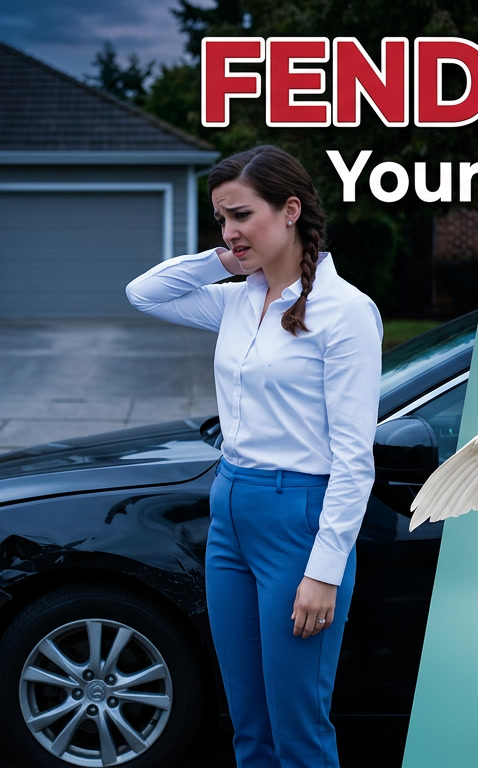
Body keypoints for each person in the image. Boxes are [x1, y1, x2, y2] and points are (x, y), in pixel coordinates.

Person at [126, 145, 382, 767]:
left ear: (290, 209)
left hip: (298, 518)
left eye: (242, 215)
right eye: (221, 219)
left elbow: (354, 457)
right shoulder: (236, 299)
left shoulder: (346, 313)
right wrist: (232, 256)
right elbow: (144, 292)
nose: (230, 231)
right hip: (231, 512)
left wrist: (324, 569)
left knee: (297, 726)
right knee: (248, 723)